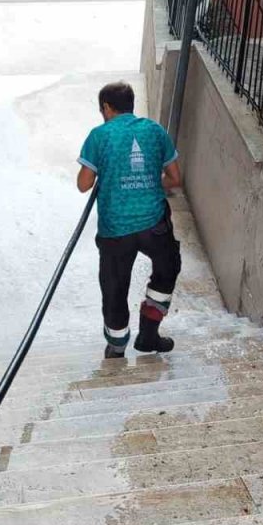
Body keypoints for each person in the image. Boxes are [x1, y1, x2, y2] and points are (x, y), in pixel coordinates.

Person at [76, 82, 183, 359]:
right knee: (167, 270)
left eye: (103, 109)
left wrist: (109, 174)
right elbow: (174, 179)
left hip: (116, 230)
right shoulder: (155, 131)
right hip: (154, 225)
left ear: (107, 108)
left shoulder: (99, 136)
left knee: (115, 287)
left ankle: (116, 347)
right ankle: (148, 335)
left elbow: (83, 184)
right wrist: (149, 183)